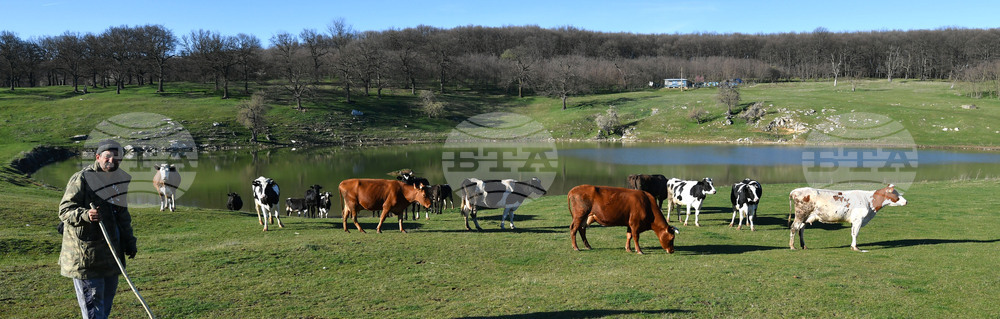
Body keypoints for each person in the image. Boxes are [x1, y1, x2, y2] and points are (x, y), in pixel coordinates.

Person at [59, 139, 137, 319]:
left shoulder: (120, 180)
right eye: (107, 157)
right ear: (98, 157)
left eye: (117, 158)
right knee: (93, 308)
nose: (112, 161)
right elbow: (64, 210)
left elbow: (122, 216)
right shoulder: (82, 178)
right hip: (86, 256)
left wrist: (129, 242)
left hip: (111, 256)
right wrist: (86, 215)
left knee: (106, 304)